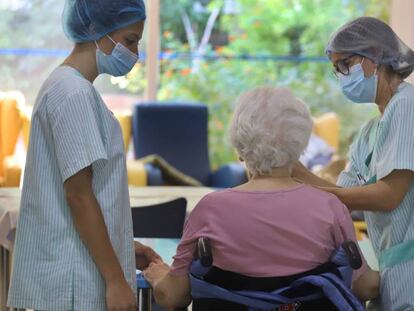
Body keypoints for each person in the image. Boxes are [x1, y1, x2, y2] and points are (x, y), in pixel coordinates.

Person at [143, 86, 379, 309]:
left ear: (240, 149)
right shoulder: (330, 206)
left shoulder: (210, 209)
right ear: (298, 146)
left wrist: (159, 276)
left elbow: (174, 295)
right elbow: (365, 286)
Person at [7, 1, 160, 310]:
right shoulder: (73, 93)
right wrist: (116, 279)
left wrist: (121, 249)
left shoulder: (70, 89)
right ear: (94, 29)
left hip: (76, 271)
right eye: (130, 40)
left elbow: (80, 201)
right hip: (74, 285)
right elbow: (79, 196)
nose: (135, 54)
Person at [292, 16, 414, 310]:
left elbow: (388, 195)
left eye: (345, 65)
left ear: (374, 54)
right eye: (337, 70)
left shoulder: (408, 105)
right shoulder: (369, 133)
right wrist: (295, 172)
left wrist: (303, 180)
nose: (342, 76)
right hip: (388, 272)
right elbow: (340, 197)